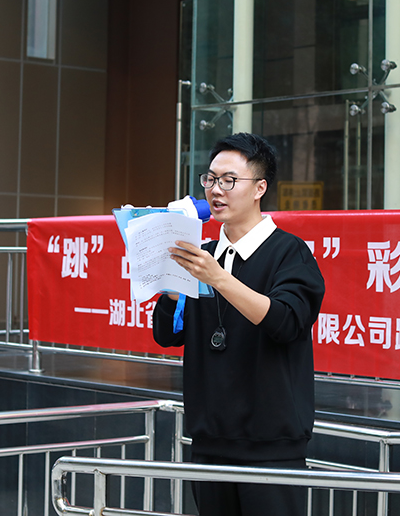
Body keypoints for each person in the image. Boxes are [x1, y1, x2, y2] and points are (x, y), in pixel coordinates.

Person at [152, 133, 326, 516]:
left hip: (271, 448)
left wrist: (218, 278)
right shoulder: (203, 255)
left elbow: (286, 321)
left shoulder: (290, 252)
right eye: (210, 179)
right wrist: (169, 285)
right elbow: (166, 334)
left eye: (229, 180)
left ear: (260, 188)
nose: (216, 190)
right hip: (209, 443)